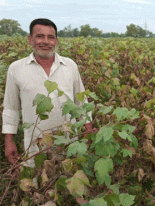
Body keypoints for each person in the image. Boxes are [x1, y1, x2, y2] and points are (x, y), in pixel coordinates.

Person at [2, 18, 92, 167]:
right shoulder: (16, 69)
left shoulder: (70, 66)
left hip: (69, 145)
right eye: (39, 36)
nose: (45, 41)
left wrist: (88, 128)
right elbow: (11, 108)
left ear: (56, 41)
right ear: (30, 39)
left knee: (68, 182)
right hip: (34, 148)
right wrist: (9, 141)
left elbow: (81, 101)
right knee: (37, 184)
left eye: (50, 37)